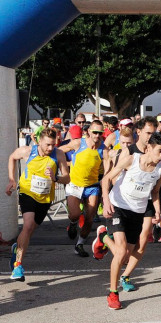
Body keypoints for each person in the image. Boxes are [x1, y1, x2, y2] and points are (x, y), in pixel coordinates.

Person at [93, 132, 161, 310]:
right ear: (149, 147)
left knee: (127, 256)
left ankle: (104, 237)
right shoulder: (130, 160)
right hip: (118, 207)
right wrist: (105, 201)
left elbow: (155, 192)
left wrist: (158, 211)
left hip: (137, 212)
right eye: (159, 151)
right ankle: (113, 293)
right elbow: (106, 179)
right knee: (120, 253)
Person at [6, 128, 70, 281]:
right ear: (39, 141)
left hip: (45, 198)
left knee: (30, 230)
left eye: (53, 145)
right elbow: (12, 157)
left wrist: (55, 177)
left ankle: (17, 249)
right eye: (47, 144)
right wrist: (12, 180)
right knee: (27, 226)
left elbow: (67, 178)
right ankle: (18, 265)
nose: (50, 148)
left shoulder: (58, 154)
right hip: (27, 192)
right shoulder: (28, 151)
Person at [60, 120, 109, 257]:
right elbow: (59, 151)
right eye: (95, 132)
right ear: (88, 132)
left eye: (100, 133)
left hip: (92, 186)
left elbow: (108, 170)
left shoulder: (103, 150)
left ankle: (79, 244)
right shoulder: (78, 143)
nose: (97, 135)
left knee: (89, 218)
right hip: (74, 185)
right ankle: (73, 223)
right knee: (75, 214)